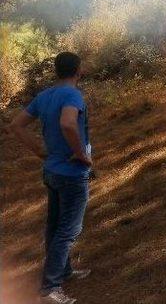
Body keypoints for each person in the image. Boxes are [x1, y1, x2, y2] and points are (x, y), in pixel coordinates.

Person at [8, 52, 92, 304]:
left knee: (55, 226)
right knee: (69, 229)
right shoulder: (72, 94)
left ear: (57, 71)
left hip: (52, 171)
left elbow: (15, 125)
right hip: (71, 173)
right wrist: (80, 154)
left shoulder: (44, 96)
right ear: (78, 70)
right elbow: (68, 123)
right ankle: (49, 289)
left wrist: (40, 150)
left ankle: (63, 271)